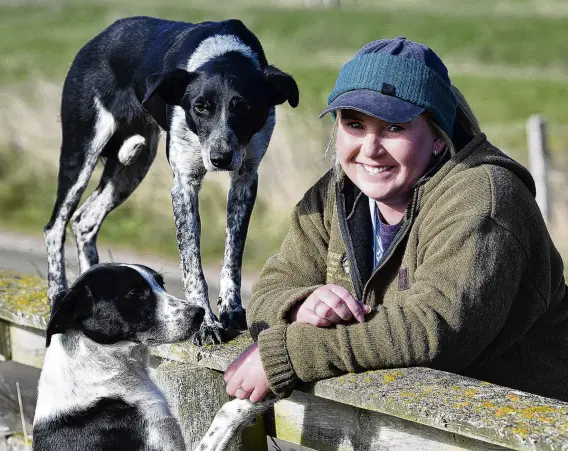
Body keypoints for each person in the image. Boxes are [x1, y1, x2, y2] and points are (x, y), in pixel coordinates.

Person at [223, 36, 568, 403]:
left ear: (438, 137)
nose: (370, 149)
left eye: (393, 128)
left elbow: (433, 329)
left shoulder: (483, 198)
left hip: (524, 429)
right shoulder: (333, 196)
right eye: (355, 125)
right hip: (411, 420)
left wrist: (290, 353)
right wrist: (300, 305)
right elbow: (266, 294)